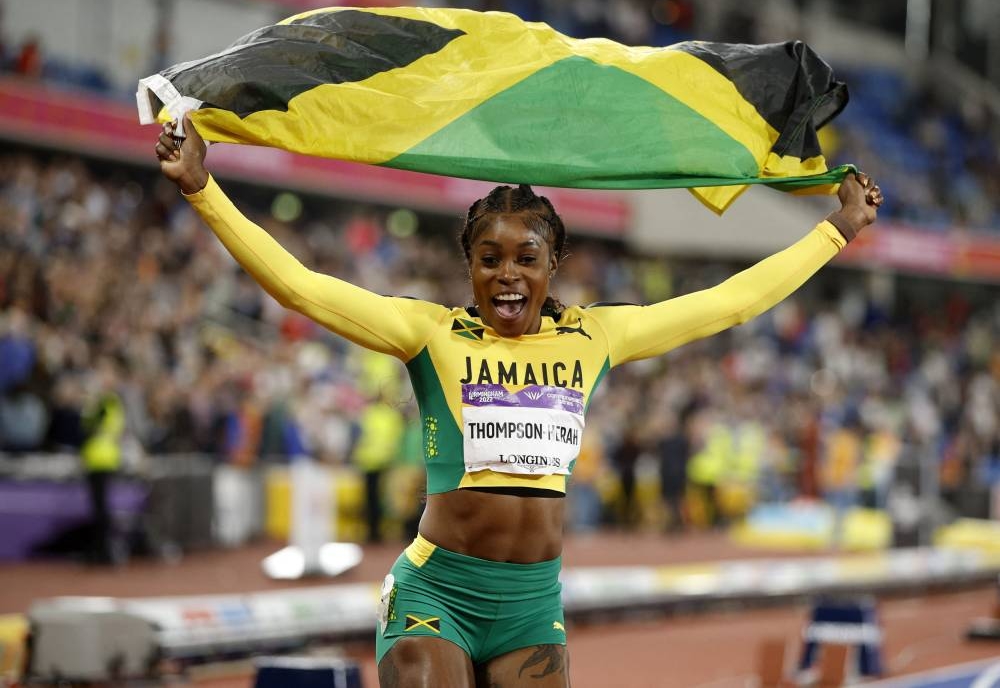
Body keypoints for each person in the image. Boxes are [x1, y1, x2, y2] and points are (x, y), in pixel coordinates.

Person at [155, 115, 882, 687]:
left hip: (532, 606)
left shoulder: (596, 337)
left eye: (526, 259)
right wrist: (201, 190)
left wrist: (836, 230)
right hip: (438, 594)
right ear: (469, 266)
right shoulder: (429, 333)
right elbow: (300, 287)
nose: (508, 275)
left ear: (552, 263)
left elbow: (729, 303)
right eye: (490, 259)